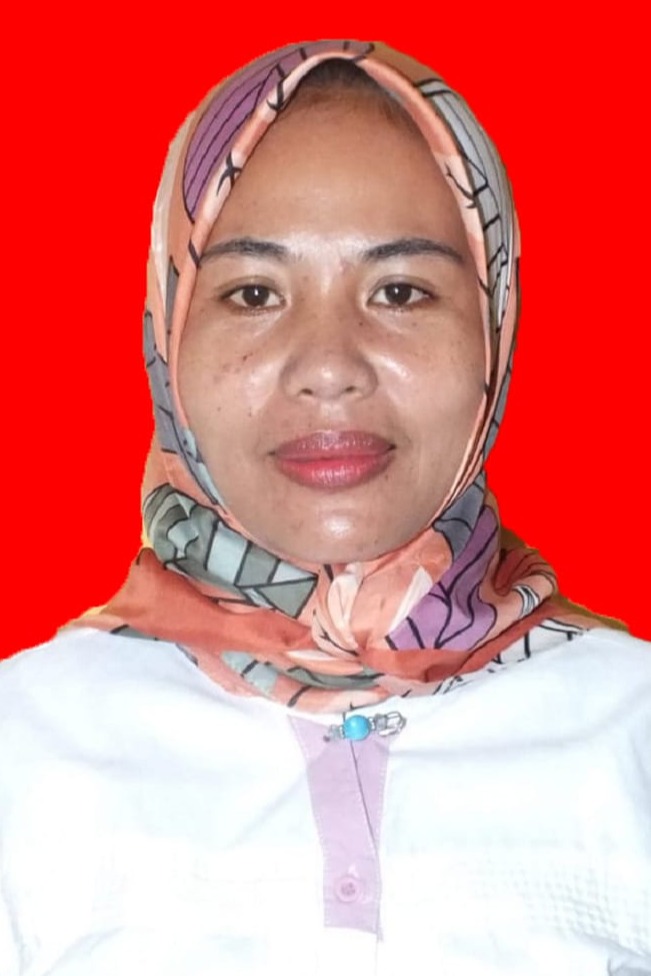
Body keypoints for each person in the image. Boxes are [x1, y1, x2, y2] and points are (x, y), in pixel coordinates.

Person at [0, 39, 649, 975]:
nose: (329, 366)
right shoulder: (25, 743)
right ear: (170, 333)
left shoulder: (629, 728)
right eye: (254, 293)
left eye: (399, 291)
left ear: (492, 329)